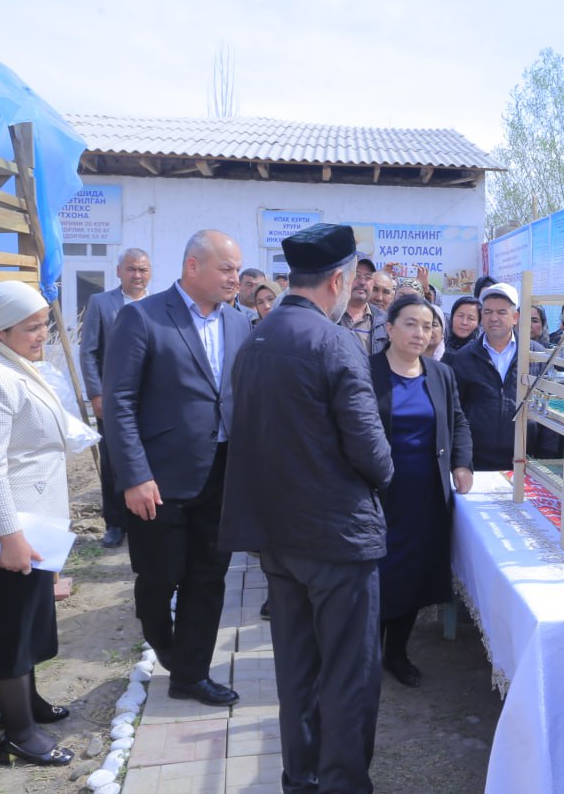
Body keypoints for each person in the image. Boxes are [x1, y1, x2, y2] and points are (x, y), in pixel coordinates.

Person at [220, 223, 393, 793]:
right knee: (349, 674)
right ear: (338, 281)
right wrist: (386, 472)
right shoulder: (334, 339)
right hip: (336, 540)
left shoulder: (258, 337)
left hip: (278, 537)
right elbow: (370, 450)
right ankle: (343, 783)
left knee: (297, 671)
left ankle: (302, 778)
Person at [104, 229, 249, 708]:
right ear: (193, 266)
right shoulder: (142, 318)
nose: (235, 278)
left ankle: (190, 673)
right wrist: (134, 476)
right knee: (158, 577)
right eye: (226, 269)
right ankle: (165, 642)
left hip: (222, 475)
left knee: (208, 579)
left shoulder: (239, 323)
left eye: (236, 270)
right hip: (159, 479)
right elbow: (120, 403)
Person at [0, 281, 74, 767]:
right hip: (10, 530)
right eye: (32, 326)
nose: (43, 333)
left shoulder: (14, 365)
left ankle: (28, 704)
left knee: (31, 621)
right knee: (10, 628)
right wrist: (11, 537)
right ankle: (19, 733)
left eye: (44, 323)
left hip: (34, 522)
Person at [369, 295, 473, 687]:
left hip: (425, 493)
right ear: (389, 328)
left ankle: (396, 651)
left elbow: (458, 421)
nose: (419, 333)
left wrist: (462, 463)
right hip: (378, 494)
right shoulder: (367, 373)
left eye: (427, 325)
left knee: (412, 576)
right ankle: (366, 654)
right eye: (410, 323)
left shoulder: (439, 373)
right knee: (377, 575)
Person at [79, 247, 151, 549]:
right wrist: (96, 394)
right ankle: (115, 523)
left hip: (150, 400)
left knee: (148, 458)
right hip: (112, 400)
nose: (137, 275)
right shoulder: (101, 302)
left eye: (143, 270)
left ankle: (145, 520)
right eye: (131, 269)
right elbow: (89, 351)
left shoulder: (159, 305)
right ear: (119, 271)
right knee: (112, 461)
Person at [451, 283, 544, 470]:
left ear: (515, 317)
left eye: (501, 312)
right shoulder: (464, 357)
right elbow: (456, 412)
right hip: (477, 460)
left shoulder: (536, 355)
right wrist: (460, 460)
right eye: (487, 312)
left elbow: (550, 409)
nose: (493, 318)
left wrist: (545, 456)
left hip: (526, 460)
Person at [338, 256, 388, 355]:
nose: (362, 282)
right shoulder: (328, 315)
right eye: (356, 275)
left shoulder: (384, 321)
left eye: (368, 277)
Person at [442, 295, 481, 363]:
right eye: (460, 316)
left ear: (478, 323)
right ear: (452, 317)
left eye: (471, 318)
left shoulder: (481, 352)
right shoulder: (439, 347)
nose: (464, 322)